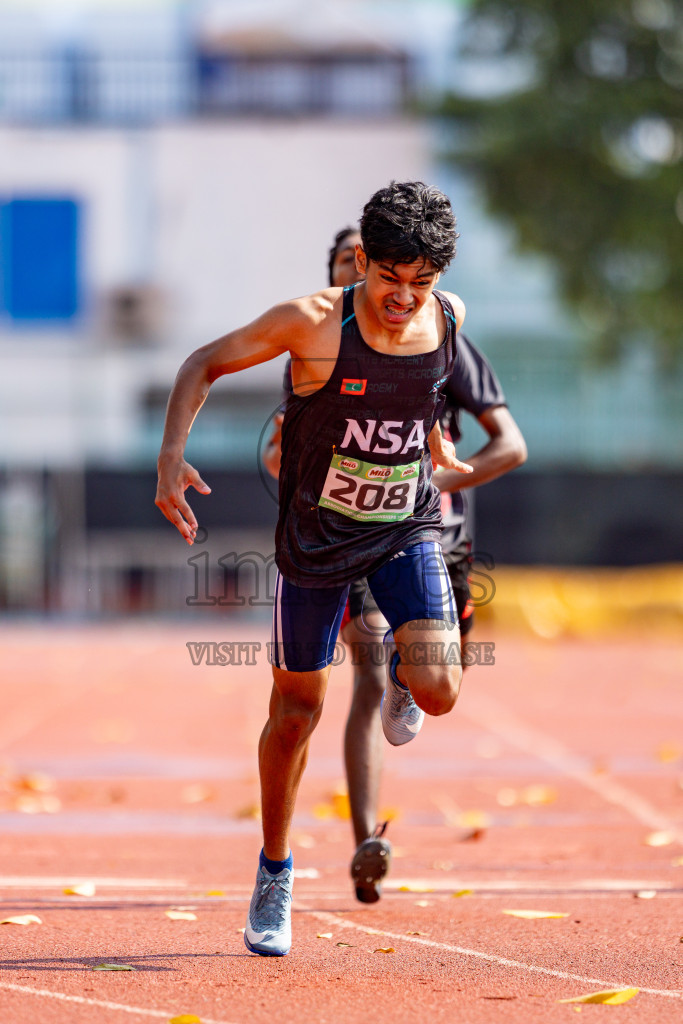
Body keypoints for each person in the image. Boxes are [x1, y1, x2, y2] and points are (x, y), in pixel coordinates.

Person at [156, 181, 473, 957]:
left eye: (420, 284)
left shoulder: (451, 315)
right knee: (296, 712)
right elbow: (204, 362)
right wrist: (171, 458)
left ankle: (404, 670)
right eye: (389, 279)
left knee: (437, 688)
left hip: (404, 526)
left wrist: (432, 445)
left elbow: (427, 391)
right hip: (314, 544)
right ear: (361, 260)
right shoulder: (311, 323)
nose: (404, 298)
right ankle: (275, 870)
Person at [264, 227, 527, 906]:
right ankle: (362, 842)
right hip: (343, 536)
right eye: (352, 274)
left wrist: (430, 484)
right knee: (363, 677)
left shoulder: (440, 334)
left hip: (432, 534)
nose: (386, 296)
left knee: (432, 683)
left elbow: (509, 443)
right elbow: (277, 447)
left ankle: (413, 682)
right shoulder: (317, 346)